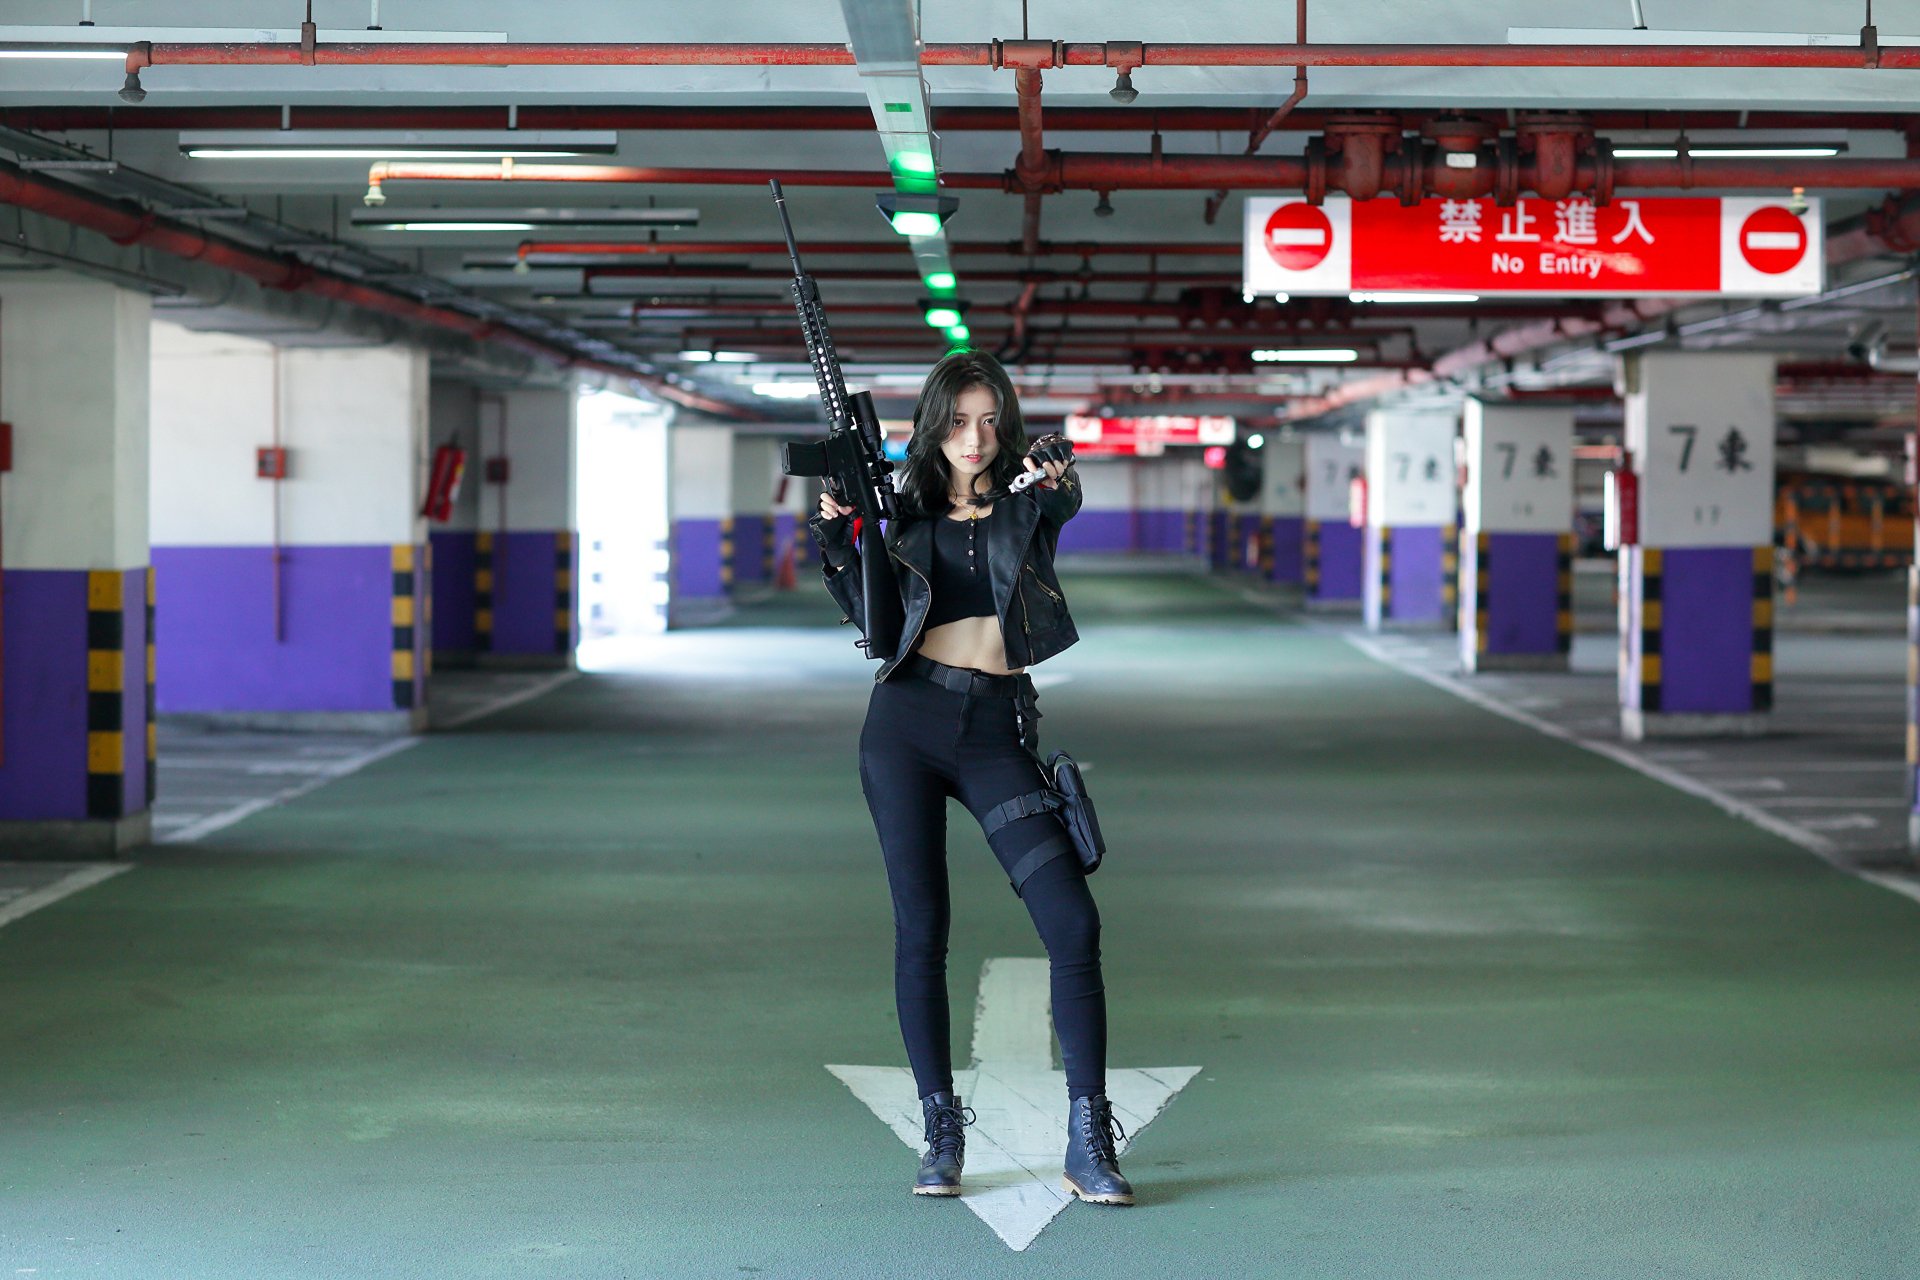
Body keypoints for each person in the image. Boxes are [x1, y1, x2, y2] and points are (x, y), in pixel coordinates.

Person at [807, 349, 1132, 1206]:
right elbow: (872, 625)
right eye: (958, 421)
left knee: (1071, 919)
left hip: (995, 730)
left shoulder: (1033, 504)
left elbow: (1061, 486)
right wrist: (841, 534)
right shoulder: (901, 510)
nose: (975, 438)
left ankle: (1089, 1132)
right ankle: (940, 1126)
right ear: (933, 424)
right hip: (905, 728)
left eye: (990, 420)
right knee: (924, 930)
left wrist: (1056, 466)